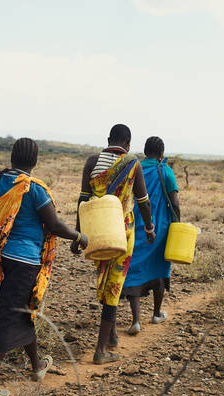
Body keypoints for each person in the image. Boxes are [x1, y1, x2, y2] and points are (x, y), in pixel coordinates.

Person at [0, 138, 87, 396]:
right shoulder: (34, 189)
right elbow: (55, 225)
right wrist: (79, 237)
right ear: (34, 161)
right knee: (7, 317)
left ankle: (36, 367)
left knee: (22, 312)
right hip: (25, 262)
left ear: (12, 156)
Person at [73, 124, 154, 365]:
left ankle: (113, 336)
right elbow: (143, 202)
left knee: (105, 279)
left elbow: (83, 201)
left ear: (109, 139)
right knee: (114, 286)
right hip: (122, 232)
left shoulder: (91, 162)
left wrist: (78, 235)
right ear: (128, 143)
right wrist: (149, 227)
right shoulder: (132, 163)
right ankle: (100, 351)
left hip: (96, 231)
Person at [120, 137, 181, 334]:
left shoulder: (134, 169)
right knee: (160, 269)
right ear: (162, 153)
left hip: (136, 227)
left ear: (145, 152)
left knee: (134, 270)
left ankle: (135, 321)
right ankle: (156, 314)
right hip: (161, 229)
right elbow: (175, 202)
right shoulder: (165, 171)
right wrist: (177, 225)